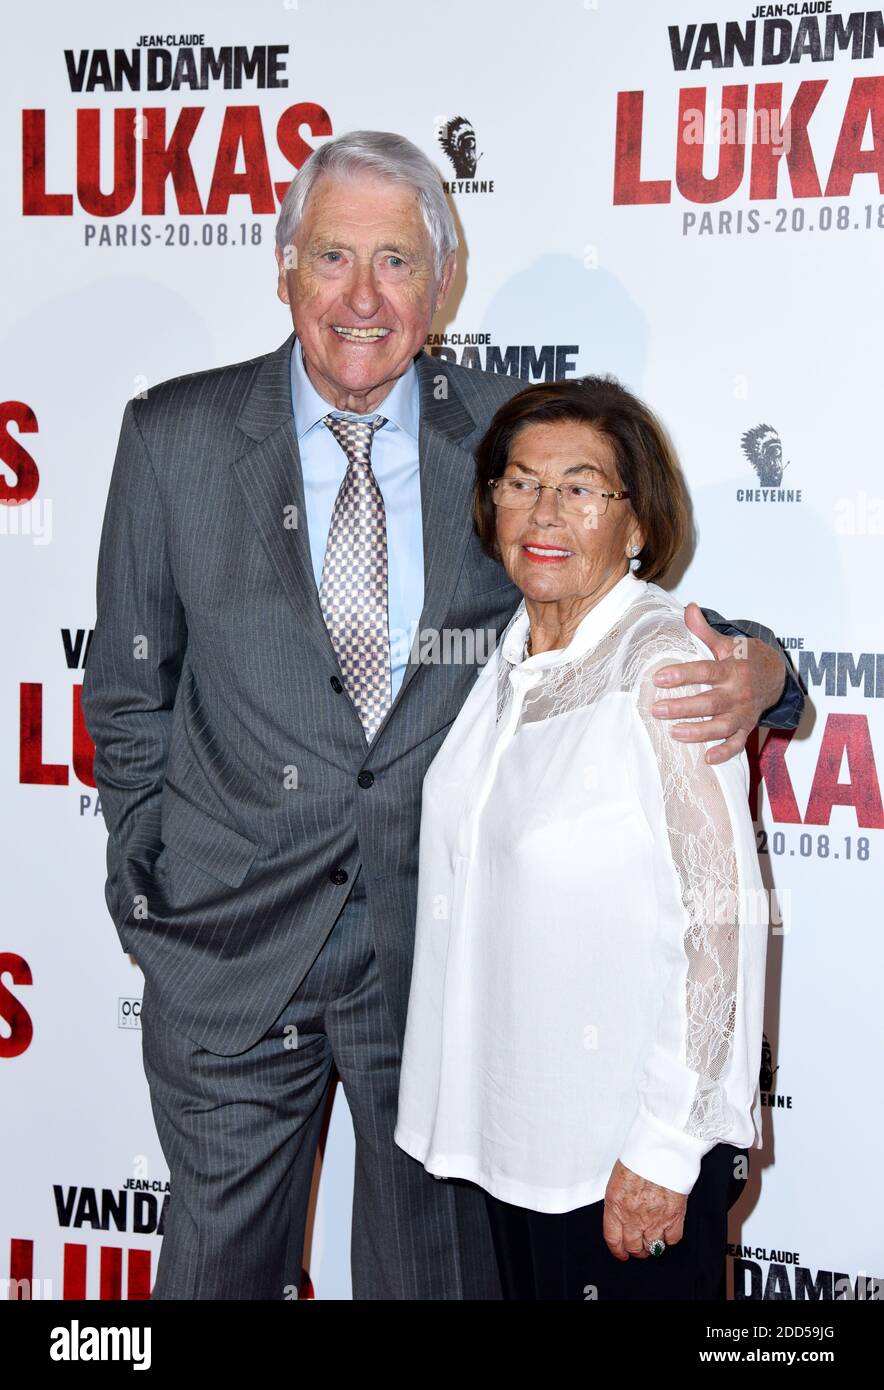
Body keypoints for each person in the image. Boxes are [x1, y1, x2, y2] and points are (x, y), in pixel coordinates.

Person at [82, 130, 801, 1301]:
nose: (362, 298)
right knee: (214, 1278)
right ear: (281, 268)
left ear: (440, 279)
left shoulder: (498, 441)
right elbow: (125, 691)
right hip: (226, 950)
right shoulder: (173, 438)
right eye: (332, 258)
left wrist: (766, 669)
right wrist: (146, 883)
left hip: (437, 977)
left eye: (397, 262)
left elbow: (610, 593)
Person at [395, 376, 771, 1301]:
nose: (544, 511)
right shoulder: (517, 648)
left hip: (623, 1160)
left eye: (581, 486)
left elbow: (718, 918)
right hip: (519, 1140)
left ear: (636, 523)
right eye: (520, 482)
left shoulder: (665, 666)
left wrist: (665, 1149)